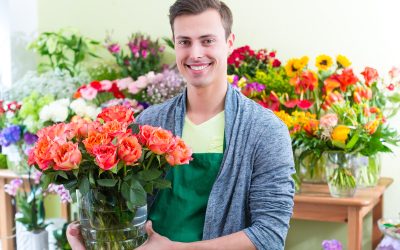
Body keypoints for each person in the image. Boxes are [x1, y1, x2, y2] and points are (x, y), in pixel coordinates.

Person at [67, 0, 295, 249]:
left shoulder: (264, 130)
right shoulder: (148, 124)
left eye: (207, 41)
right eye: (184, 41)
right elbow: (126, 213)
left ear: (229, 43)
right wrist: (93, 236)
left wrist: (176, 249)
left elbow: (270, 235)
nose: (195, 53)